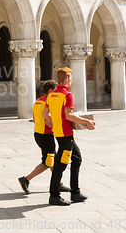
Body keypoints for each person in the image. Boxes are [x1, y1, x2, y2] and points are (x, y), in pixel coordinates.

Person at [42, 67, 96, 206]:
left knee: (76, 159)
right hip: (66, 135)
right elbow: (69, 115)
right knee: (60, 165)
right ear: (66, 79)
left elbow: (44, 114)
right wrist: (87, 122)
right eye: (70, 78)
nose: (71, 80)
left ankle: (75, 192)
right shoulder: (67, 94)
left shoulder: (52, 94)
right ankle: (54, 195)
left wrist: (55, 122)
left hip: (59, 133)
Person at [18, 80, 71, 194]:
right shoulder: (48, 103)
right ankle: (26, 179)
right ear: (50, 91)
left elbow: (35, 119)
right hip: (46, 135)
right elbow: (48, 121)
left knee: (53, 159)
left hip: (38, 134)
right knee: (48, 161)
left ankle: (58, 183)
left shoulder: (37, 102)